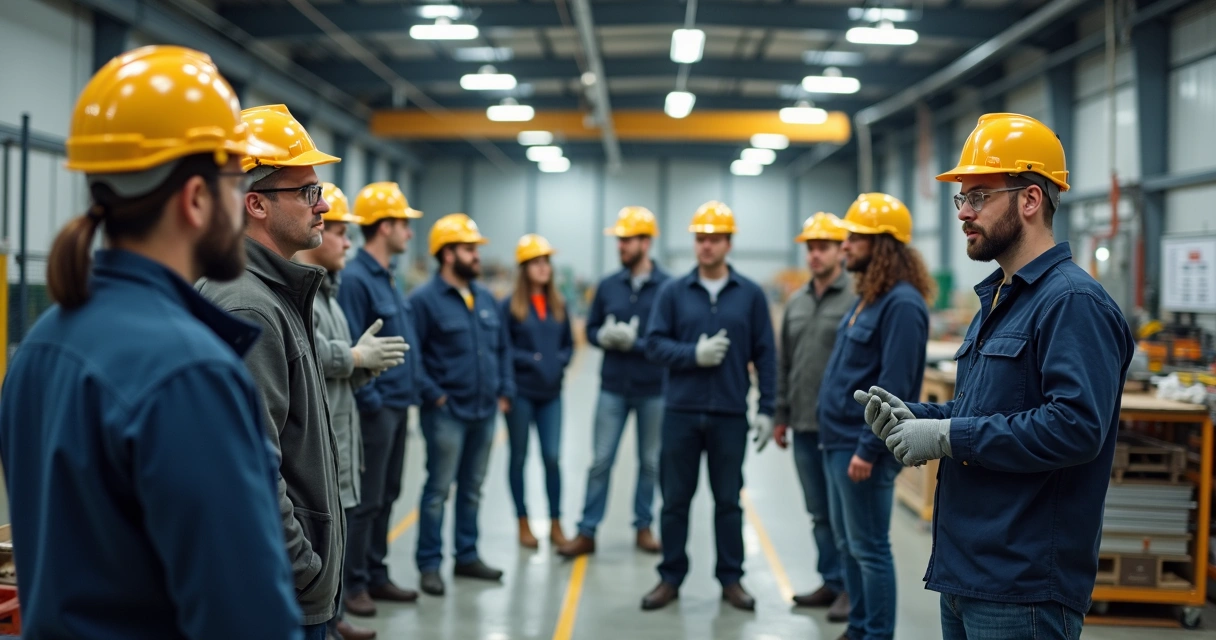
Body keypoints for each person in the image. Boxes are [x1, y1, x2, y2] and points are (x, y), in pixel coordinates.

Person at [0, 45, 302, 639]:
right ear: (195, 199)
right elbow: (245, 618)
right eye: (232, 181)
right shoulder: (190, 371)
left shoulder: (38, 348)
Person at [858, 113, 1134, 640]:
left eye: (979, 195)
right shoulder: (1001, 299)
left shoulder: (1071, 302)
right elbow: (987, 411)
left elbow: (1075, 427)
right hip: (968, 572)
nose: (964, 212)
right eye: (960, 198)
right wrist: (917, 415)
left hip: (1023, 585)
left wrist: (944, 436)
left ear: (1030, 199)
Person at [196, 103, 346, 640]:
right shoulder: (249, 306)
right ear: (255, 203)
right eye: (307, 192)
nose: (323, 204)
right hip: (284, 594)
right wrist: (304, 569)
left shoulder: (271, 293)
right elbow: (249, 472)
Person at [640, 201, 777, 612]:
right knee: (675, 501)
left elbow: (766, 354)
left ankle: (731, 580)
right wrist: (692, 354)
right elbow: (653, 344)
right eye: (701, 239)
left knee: (728, 501)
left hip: (729, 414)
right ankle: (670, 577)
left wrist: (768, 408)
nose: (706, 246)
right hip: (681, 412)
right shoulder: (673, 292)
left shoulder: (750, 295)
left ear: (728, 243)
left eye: (714, 239)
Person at [816, 192, 933, 640]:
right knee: (850, 546)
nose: (844, 244)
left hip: (859, 447)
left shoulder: (901, 304)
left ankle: (876, 634)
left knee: (869, 549)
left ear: (882, 244)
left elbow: (895, 385)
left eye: (854, 237)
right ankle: (858, 627)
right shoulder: (868, 297)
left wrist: (868, 447)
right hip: (836, 441)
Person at [297, 183, 408, 640]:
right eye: (340, 231)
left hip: (341, 432)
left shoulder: (329, 293)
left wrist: (365, 367)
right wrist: (357, 360)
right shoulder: (300, 297)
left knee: (348, 521)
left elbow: (341, 363)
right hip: (325, 442)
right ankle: (331, 614)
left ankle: (335, 615)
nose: (345, 241)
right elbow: (316, 354)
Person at [410, 213, 515, 596]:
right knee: (438, 489)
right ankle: (430, 563)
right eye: (470, 250)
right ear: (447, 254)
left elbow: (502, 347)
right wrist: (434, 395)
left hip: (484, 410)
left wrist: (504, 388)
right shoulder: (423, 301)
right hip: (446, 412)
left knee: (472, 488)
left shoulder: (485, 297)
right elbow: (412, 356)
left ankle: (467, 555)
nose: (477, 257)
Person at [559, 206, 669, 558]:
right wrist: (603, 336)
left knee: (651, 463)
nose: (621, 247)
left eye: (627, 240)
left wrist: (635, 344)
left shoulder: (667, 288)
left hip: (654, 389)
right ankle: (587, 531)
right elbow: (590, 330)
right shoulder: (607, 286)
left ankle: (643, 527)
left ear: (646, 243)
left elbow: (669, 340)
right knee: (601, 460)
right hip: (613, 388)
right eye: (619, 241)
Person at [336, 181, 424, 615]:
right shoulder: (355, 279)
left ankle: (376, 573)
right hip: (376, 408)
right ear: (385, 226)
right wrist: (371, 406)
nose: (409, 233)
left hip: (397, 405)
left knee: (388, 493)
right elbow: (355, 347)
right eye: (404, 224)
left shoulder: (387, 276)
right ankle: (353, 586)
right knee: (366, 500)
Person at [774, 212, 855, 621]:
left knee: (844, 516)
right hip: (803, 424)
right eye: (810, 247)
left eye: (823, 246)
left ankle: (849, 590)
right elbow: (784, 362)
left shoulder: (857, 297)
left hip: (840, 427)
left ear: (840, 250)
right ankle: (831, 580)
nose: (815, 255)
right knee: (818, 512)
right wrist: (779, 414)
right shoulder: (797, 301)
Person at [500, 234, 575, 548]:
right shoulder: (510, 306)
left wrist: (558, 362)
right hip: (521, 394)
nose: (544, 268)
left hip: (551, 395)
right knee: (518, 458)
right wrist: (532, 360)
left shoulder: (559, 304)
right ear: (524, 268)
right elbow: (503, 349)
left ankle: (556, 523)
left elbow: (568, 344)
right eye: (537, 263)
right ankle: (523, 523)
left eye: (547, 262)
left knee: (552, 458)